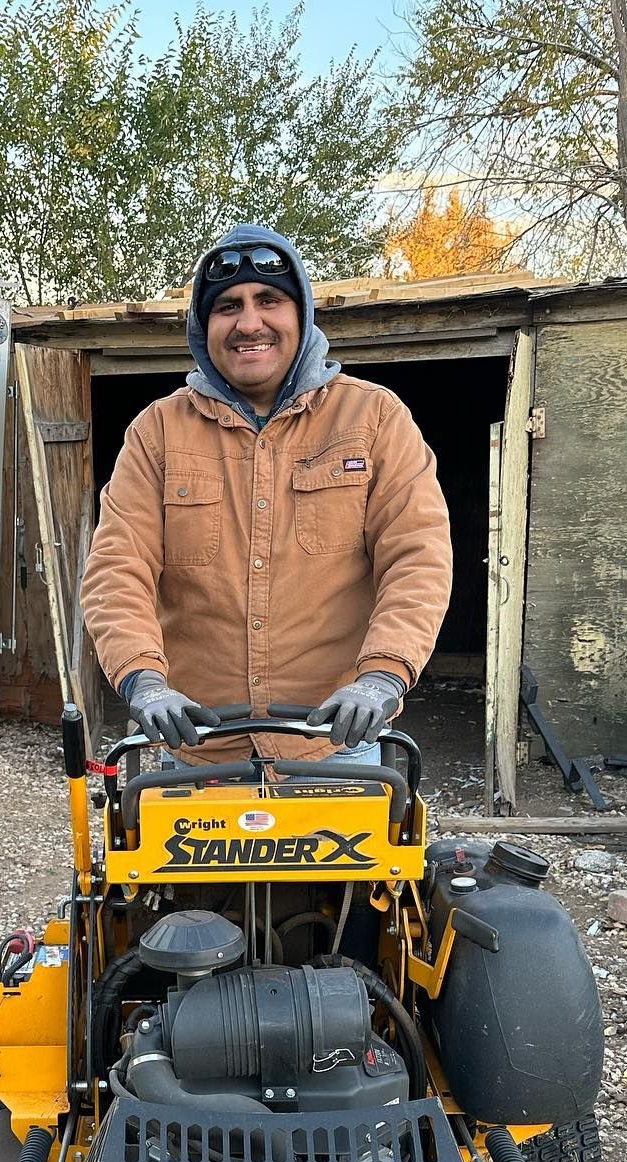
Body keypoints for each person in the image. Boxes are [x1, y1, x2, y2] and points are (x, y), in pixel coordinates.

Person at [79, 225, 452, 764]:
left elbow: (418, 559)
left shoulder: (374, 419)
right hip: (196, 747)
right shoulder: (156, 432)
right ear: (202, 325)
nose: (249, 323)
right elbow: (118, 566)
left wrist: (382, 676)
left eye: (269, 301)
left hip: (335, 746)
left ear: (300, 314)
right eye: (228, 306)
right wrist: (143, 679)